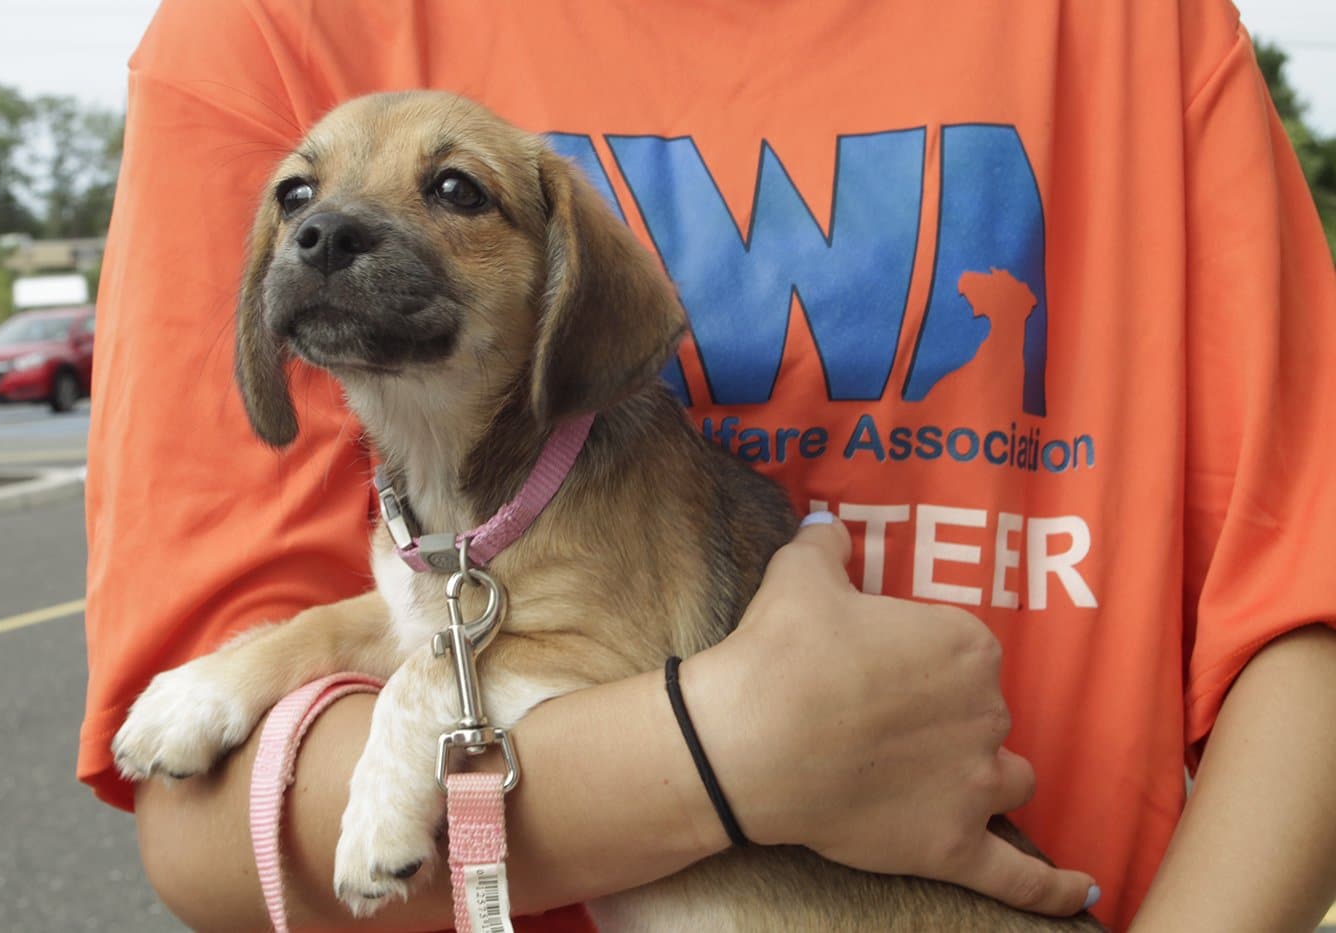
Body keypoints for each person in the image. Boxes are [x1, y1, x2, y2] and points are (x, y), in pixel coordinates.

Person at [79, 1, 1336, 930]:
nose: (328, 225)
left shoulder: (1134, 30)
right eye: (299, 196)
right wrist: (732, 755)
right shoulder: (266, 32)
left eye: (452, 191)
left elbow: (1306, 597)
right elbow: (198, 830)